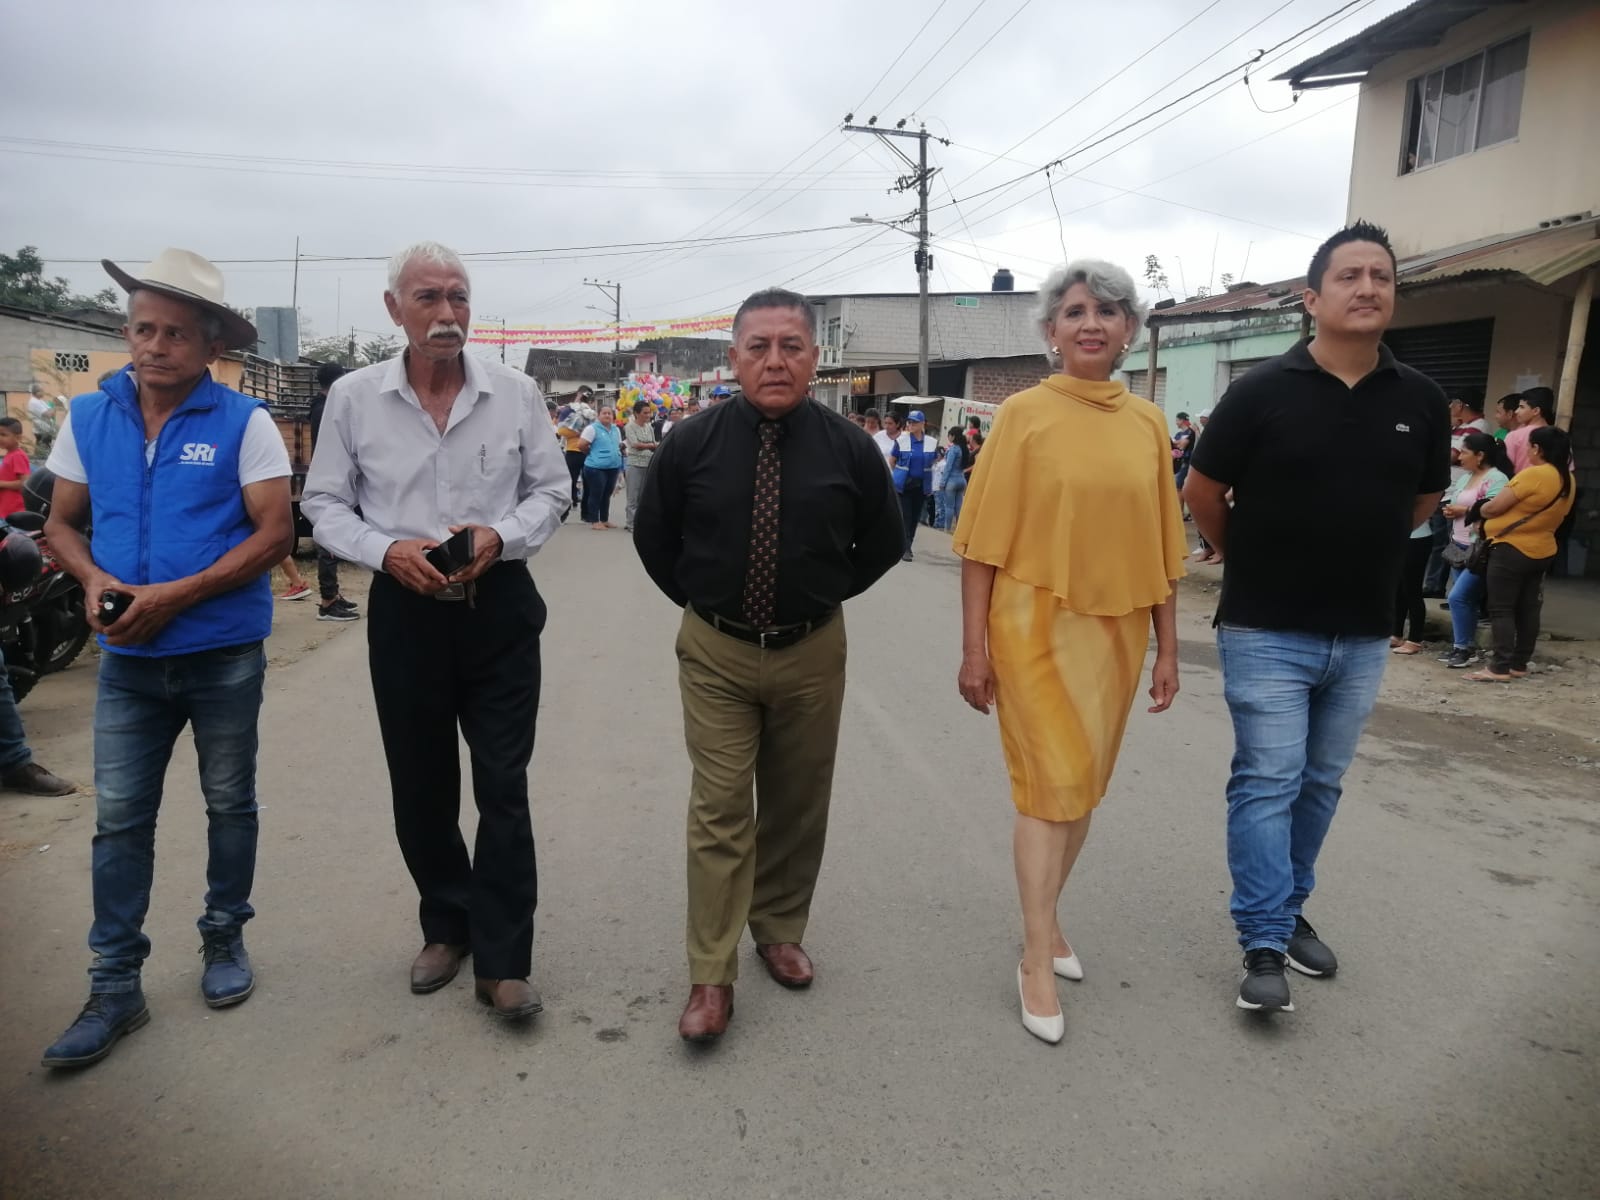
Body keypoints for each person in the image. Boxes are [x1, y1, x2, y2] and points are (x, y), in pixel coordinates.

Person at [1184, 221, 1450, 1014]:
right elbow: (1202, 492)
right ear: (1312, 297)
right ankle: (1264, 940)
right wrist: (1249, 555)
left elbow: (1424, 498)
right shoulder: (1260, 391)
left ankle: (1289, 907)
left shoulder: (1421, 399)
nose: (1368, 288)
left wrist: (1359, 547)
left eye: (1382, 276)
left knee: (1320, 783)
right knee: (1268, 780)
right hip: (1266, 626)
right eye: (1349, 276)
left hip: (1363, 633)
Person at [40, 248, 294, 1069]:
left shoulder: (245, 423)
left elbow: (275, 534)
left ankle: (224, 937)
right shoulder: (89, 417)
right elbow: (61, 524)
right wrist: (93, 581)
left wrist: (175, 596)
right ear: (128, 332)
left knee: (230, 805)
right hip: (127, 663)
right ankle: (115, 984)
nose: (156, 345)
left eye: (176, 333)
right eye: (144, 329)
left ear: (211, 345)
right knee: (119, 820)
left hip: (222, 655)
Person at [302, 241, 568, 1021]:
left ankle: (505, 959)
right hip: (407, 612)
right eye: (428, 298)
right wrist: (385, 550)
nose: (448, 313)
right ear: (395, 309)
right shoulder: (354, 397)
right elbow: (323, 502)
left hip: (499, 609)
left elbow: (551, 491)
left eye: (459, 296)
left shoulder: (516, 393)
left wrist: (499, 535)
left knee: (503, 785)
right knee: (420, 784)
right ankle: (447, 925)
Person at [633, 287, 902, 1045]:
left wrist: (817, 596)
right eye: (759, 347)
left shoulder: (850, 448)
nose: (775, 361)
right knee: (720, 807)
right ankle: (710, 974)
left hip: (812, 648)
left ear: (814, 358)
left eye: (791, 346)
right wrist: (707, 605)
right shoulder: (691, 443)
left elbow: (884, 543)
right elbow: (654, 538)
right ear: (735, 358)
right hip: (715, 651)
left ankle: (779, 928)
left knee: (797, 799)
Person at [955, 259, 1185, 1045]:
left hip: (1118, 630)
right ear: (1051, 331)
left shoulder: (1148, 423)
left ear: (1129, 330)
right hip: (1032, 627)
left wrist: (1168, 651)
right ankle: (1035, 959)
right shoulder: (1022, 415)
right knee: (1048, 788)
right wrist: (974, 649)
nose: (1092, 323)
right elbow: (980, 546)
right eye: (1076, 311)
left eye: (1108, 311)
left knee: (1081, 791)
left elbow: (1164, 545)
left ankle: (1047, 922)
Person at [1465, 425, 1576, 683]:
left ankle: (1499, 667)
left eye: (1529, 446)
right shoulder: (1568, 479)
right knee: (1528, 609)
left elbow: (1494, 508)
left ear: (1537, 448)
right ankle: (1519, 663)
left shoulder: (1534, 474)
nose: (1527, 450)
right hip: (1543, 549)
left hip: (1511, 548)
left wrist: (1480, 510)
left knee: (1501, 608)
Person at [1439, 432, 1511, 668]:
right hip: (1458, 545)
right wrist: (1450, 510)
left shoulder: (1496, 479)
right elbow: (1456, 501)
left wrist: (1462, 511)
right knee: (1465, 600)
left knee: (1457, 597)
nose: (1460, 457)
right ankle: (1464, 647)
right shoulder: (1465, 478)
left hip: (1480, 548)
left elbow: (1492, 509)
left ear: (1480, 455)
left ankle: (1462, 648)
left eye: (1465, 452)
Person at [888, 408, 939, 561]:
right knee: (906, 516)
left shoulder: (931, 442)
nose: (911, 425)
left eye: (915, 422)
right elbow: (892, 461)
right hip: (904, 485)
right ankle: (905, 548)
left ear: (923, 424)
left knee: (915, 517)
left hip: (921, 486)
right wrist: (900, 475)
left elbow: (934, 461)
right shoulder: (901, 441)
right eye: (909, 422)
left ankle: (907, 544)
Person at [1391, 519, 1433, 655]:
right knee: (1399, 589)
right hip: (1399, 537)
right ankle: (1396, 634)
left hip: (1417, 538)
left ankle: (1415, 640)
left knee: (1412, 590)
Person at [579, 406, 623, 529]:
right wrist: (591, 453)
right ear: (599, 415)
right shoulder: (592, 429)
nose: (607, 415)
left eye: (609, 413)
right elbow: (581, 445)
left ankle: (604, 520)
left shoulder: (616, 429)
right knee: (596, 494)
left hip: (613, 467)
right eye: (604, 413)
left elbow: (618, 444)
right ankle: (594, 520)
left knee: (607, 494)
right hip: (595, 468)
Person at [622, 402, 658, 532]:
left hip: (648, 464)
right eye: (645, 413)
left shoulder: (649, 427)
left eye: (649, 412)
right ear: (636, 413)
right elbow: (635, 445)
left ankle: (640, 522)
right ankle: (631, 523)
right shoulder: (629, 427)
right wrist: (651, 445)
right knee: (633, 496)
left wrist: (651, 445)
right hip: (634, 464)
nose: (648, 415)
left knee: (643, 496)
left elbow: (653, 443)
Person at [1505, 387, 1553, 474]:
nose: (1516, 411)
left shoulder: (1514, 436)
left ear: (1536, 411)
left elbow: (1504, 469)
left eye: (1521, 407)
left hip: (1519, 482)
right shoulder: (1560, 437)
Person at [0, 417, 33, 518]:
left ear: (18, 438)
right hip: (6, 508)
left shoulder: (18, 456)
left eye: (3, 435)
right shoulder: (10, 455)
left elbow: (25, 483)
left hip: (15, 511)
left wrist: (2, 483)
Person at [940, 424, 970, 532]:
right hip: (962, 479)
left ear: (953, 436)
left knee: (949, 506)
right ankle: (959, 529)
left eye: (949, 435)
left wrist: (942, 482)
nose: (948, 437)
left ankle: (947, 529)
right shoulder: (964, 449)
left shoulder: (953, 449)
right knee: (958, 506)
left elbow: (948, 467)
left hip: (951, 481)